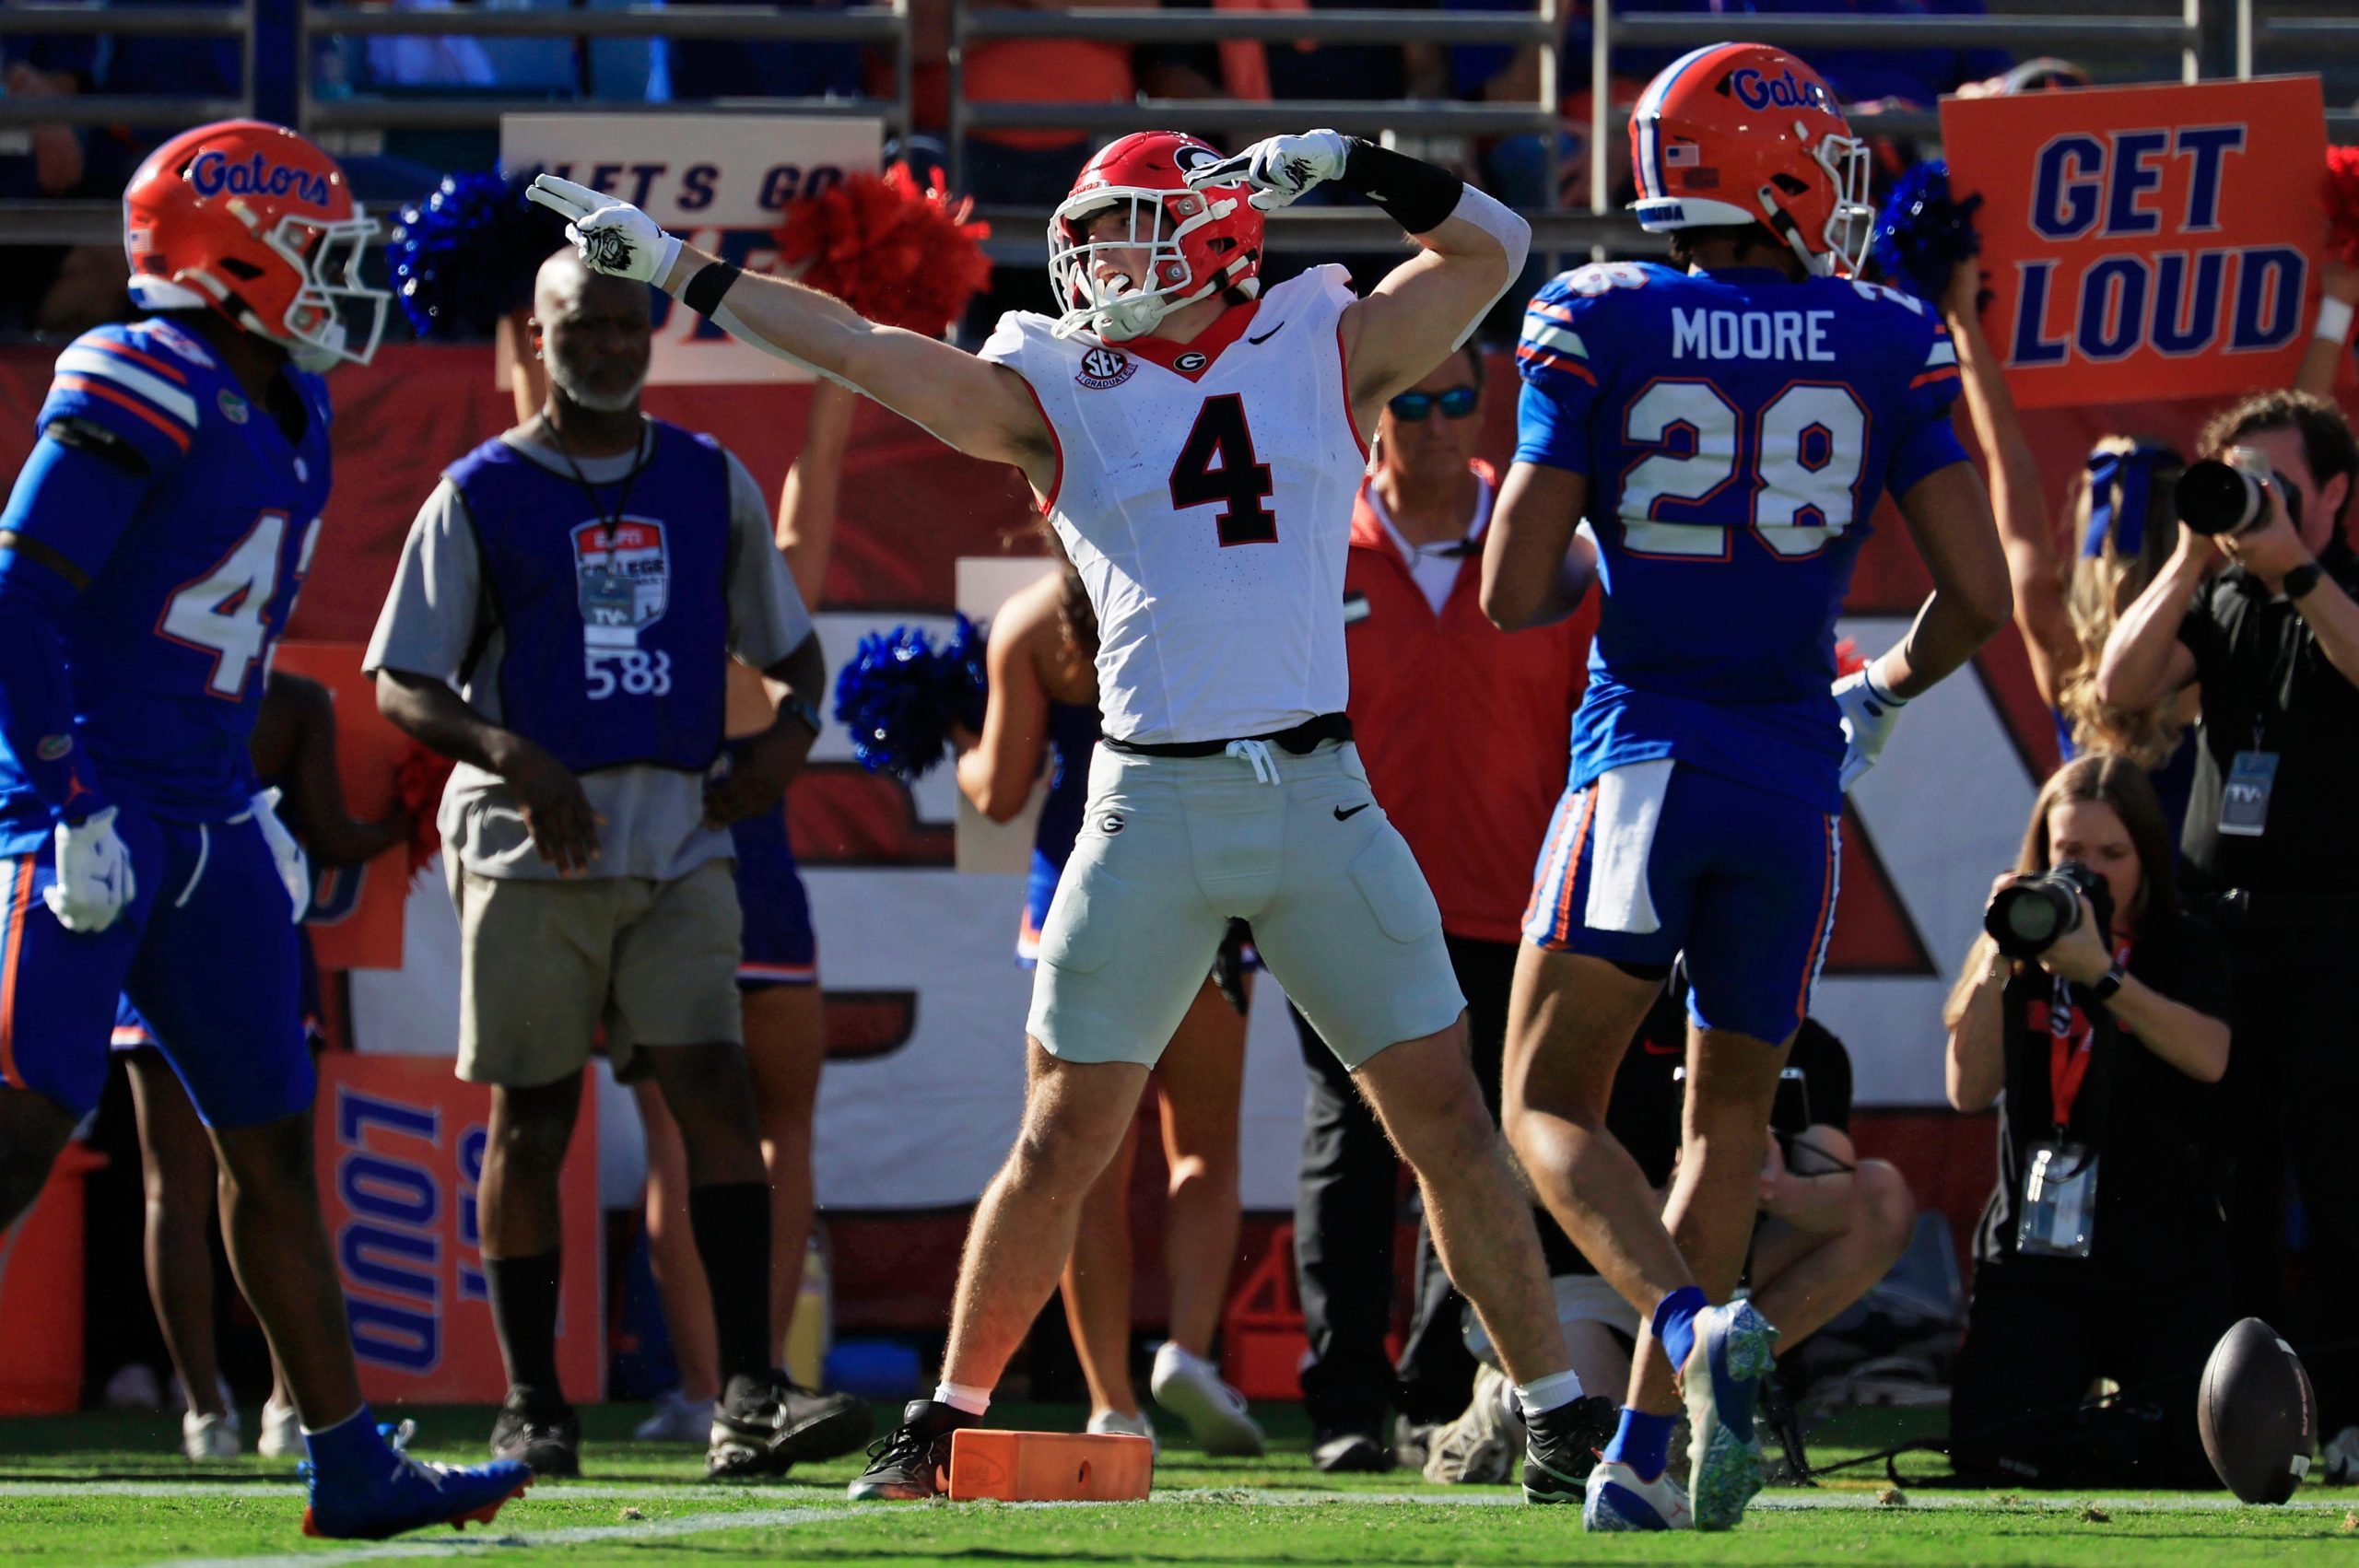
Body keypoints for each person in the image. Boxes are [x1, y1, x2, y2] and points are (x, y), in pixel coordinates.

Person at [526, 122, 1597, 1505]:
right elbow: (861, 347)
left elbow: (1492, 249)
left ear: (1217, 234)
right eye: (1087, 237)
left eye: (1128, 228)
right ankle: (947, 1420)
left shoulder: (1323, 337)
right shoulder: (1057, 380)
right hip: (1147, 793)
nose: (1095, 261)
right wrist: (682, 269)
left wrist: (1353, 161)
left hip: (1320, 789)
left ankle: (1558, 1411)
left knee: (1445, 1118)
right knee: (1059, 1134)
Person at [1482, 41, 2010, 1532]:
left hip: (1645, 756)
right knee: (1728, 1126)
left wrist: (1635, 530)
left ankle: (1679, 1327)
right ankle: (1647, 1462)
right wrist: (1883, 690)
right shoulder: (1885, 332)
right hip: (1793, 779)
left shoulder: (1599, 312)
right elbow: (1976, 593)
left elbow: (1516, 588)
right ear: (1759, 167)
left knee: (1544, 1097)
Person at [0, 118, 528, 1539]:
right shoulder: (144, 373)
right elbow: (19, 598)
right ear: (224, 248)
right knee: (25, 1113)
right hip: (89, 802)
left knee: (271, 1144)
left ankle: (348, 1460)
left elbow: (197, 644)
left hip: (202, 811)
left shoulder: (287, 403)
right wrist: (65, 791)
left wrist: (240, 790)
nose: (341, 276)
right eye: (317, 247)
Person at [368, 249, 851, 1481]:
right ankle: (535, 1402)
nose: (608, 343)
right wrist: (509, 753)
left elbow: (796, 656)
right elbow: (401, 678)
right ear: (537, 336)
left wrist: (786, 748)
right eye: (581, 324)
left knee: (717, 1101)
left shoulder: (705, 479)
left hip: (681, 839)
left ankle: (749, 1391)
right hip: (533, 846)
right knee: (532, 1119)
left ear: (654, 335)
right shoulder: (479, 492)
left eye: (627, 323)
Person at [1284, 342, 1600, 1473]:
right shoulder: (1306, 540)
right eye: (1405, 399)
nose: (1428, 421)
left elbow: (1591, 731)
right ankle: (1345, 1405)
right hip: (1333, 896)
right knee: (1347, 1153)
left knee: (1466, 1150)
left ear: (1486, 410)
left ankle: (1433, 1388)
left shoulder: (1549, 550)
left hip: (1506, 902)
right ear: (1368, 413)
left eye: (1454, 398)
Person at [2096, 389, 2359, 1470]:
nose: (2254, 504)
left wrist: (2293, 561)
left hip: (2336, 937)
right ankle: (2241, 1419)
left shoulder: (2331, 589)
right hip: (2219, 937)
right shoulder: (2220, 596)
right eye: (2238, 479)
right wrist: (2193, 557)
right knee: (2225, 1184)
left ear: (2336, 494)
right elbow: (2118, 686)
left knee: (2342, 1183)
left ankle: (2343, 1408)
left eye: (2279, 485)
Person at [953, 549, 1261, 1457]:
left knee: (1082, 1166)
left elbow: (1001, 794)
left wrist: (963, 745)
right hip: (1200, 896)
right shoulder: (1204, 605)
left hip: (1072, 914)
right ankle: (1189, 1353)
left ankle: (1111, 1402)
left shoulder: (1027, 626)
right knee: (1201, 1149)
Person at [1423, 967, 1915, 1488]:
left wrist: (1774, 1186)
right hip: (1582, 1272)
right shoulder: (1607, 1032)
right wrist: (1646, 1200)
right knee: (1599, 1447)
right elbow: (1515, 1159)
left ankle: (1707, 1382)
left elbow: (1836, 1207)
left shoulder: (1805, 1044)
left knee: (1879, 1196)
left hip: (1713, 1266)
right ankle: (1509, 1399)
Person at [629, 382, 868, 1448]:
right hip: (746, 879)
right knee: (777, 1133)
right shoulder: (745, 625)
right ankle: (750, 1380)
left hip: (681, 871)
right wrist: (831, 389)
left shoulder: (621, 612)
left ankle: (709, 1386)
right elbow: (806, 516)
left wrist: (525, 351)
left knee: (686, 1143)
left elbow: (799, 520)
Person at [1938, 252, 2359, 826]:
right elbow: (2288, 458)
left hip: (2092, 878)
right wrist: (2335, 305)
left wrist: (1962, 320)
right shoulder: (2210, 603)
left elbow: (2006, 460)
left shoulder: (2055, 624)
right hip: (2199, 875)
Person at [123, 668, 411, 1463]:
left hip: (153, 925)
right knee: (275, 1182)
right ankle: (291, 1407)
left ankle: (205, 1413)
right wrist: (408, 816)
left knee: (169, 1188)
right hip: (250, 934)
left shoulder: (128, 676)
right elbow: (333, 836)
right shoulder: (289, 699)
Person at [1942, 755, 2233, 1486]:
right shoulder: (2014, 947)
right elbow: (1968, 1090)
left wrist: (2101, 974)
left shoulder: (2183, 942)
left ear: (2147, 856)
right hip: (2036, 1259)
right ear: (2041, 853)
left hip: (2161, 1258)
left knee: (2186, 1465)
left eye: (2112, 854)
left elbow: (2211, 1057)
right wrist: (1997, 963)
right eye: (2069, 852)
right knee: (1993, 1457)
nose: (2089, 872)